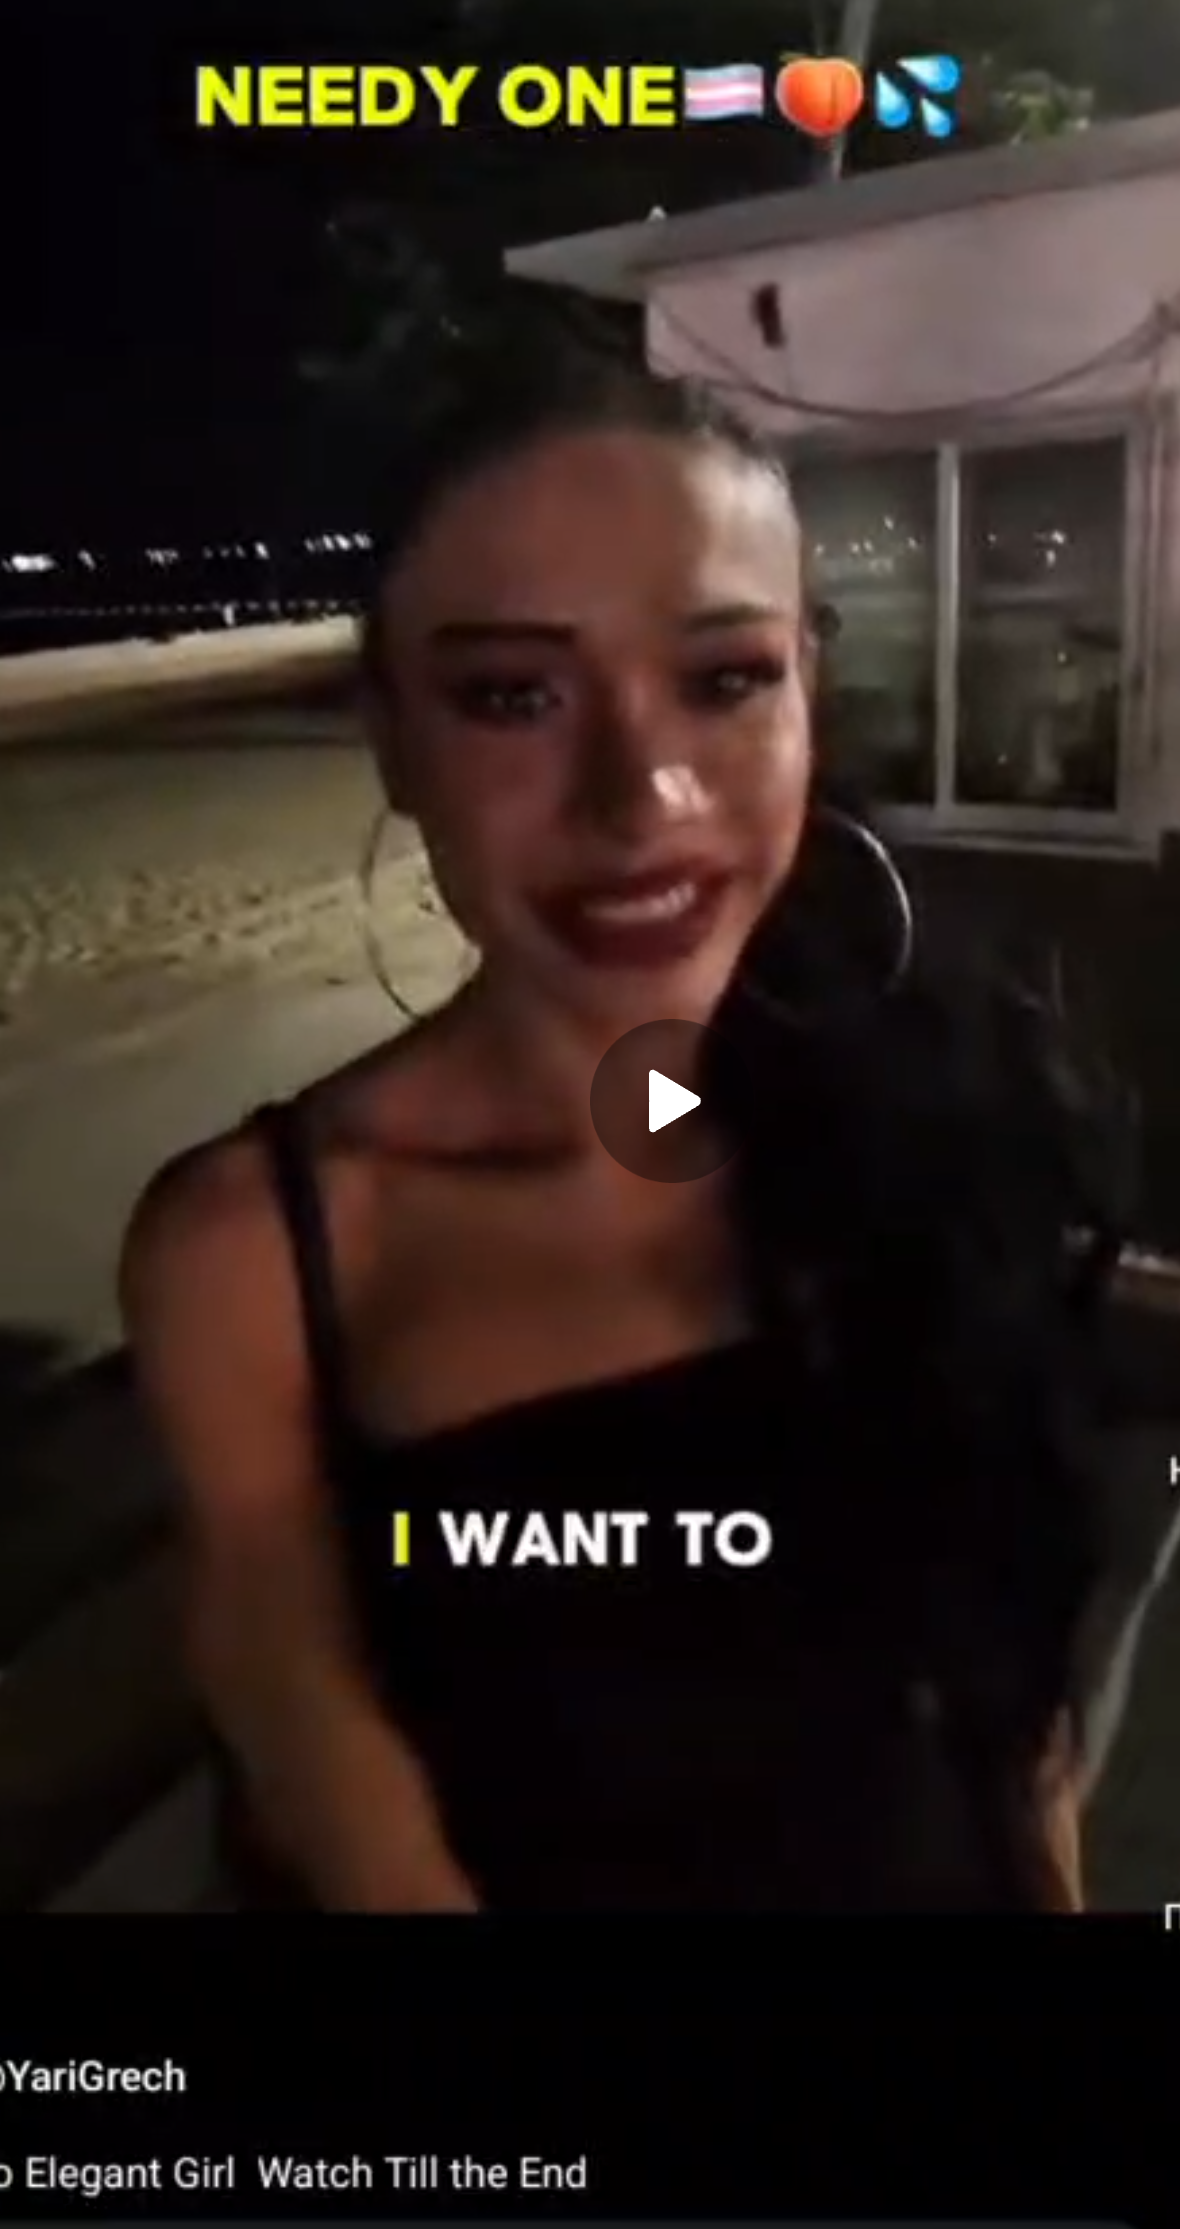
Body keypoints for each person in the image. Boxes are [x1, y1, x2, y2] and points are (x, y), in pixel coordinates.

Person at [120, 324, 1119, 1915]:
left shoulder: (939, 1108)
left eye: (725, 679)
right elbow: (326, 1771)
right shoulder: (259, 1255)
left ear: (808, 687)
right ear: (392, 738)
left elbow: (1016, 1712)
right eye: (514, 696)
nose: (641, 795)